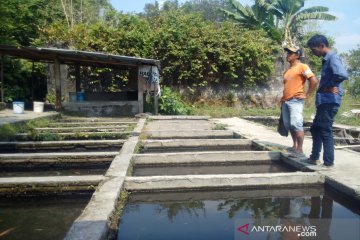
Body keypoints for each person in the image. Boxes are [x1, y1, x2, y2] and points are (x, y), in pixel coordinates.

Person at [306, 34, 348, 169]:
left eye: (314, 50)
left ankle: (328, 162)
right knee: (316, 128)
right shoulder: (327, 59)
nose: (314, 52)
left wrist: (330, 86)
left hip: (330, 100)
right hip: (325, 100)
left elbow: (342, 74)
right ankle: (314, 157)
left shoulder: (333, 58)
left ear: (322, 46)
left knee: (325, 130)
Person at [281, 46, 318, 158]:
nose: (288, 55)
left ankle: (300, 150)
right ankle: (294, 146)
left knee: (296, 124)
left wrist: (306, 94)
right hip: (286, 101)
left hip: (295, 101)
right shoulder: (287, 71)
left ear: (297, 55)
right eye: (287, 53)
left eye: (291, 53)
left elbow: (314, 80)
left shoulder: (303, 66)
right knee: (290, 125)